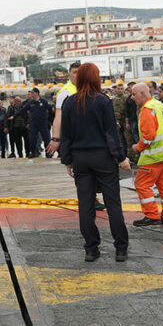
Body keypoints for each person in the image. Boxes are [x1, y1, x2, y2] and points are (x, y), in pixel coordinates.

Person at [58, 63, 130, 262]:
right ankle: (121, 248)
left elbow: (66, 135)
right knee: (113, 203)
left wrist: (67, 161)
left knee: (86, 205)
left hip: (80, 158)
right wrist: (121, 157)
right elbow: (111, 133)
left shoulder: (70, 102)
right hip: (103, 157)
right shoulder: (102, 101)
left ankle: (91, 248)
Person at [129, 82, 163, 227]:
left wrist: (137, 147)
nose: (132, 97)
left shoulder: (147, 109)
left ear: (143, 93)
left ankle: (152, 215)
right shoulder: (159, 105)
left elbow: (148, 136)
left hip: (154, 156)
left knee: (142, 185)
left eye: (134, 94)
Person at [45, 62, 81, 158]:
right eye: (75, 72)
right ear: (69, 75)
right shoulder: (65, 93)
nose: (78, 75)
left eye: (80, 72)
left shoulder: (88, 89)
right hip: (74, 137)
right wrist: (56, 139)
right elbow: (58, 116)